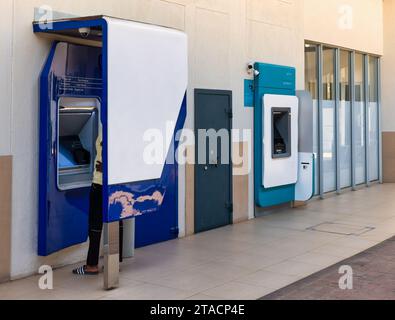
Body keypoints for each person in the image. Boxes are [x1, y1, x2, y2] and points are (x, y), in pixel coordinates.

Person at [73, 125, 104, 275]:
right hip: (114, 183)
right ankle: (115, 263)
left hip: (100, 182)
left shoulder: (109, 125)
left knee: (95, 225)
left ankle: (91, 265)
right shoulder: (120, 122)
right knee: (116, 222)